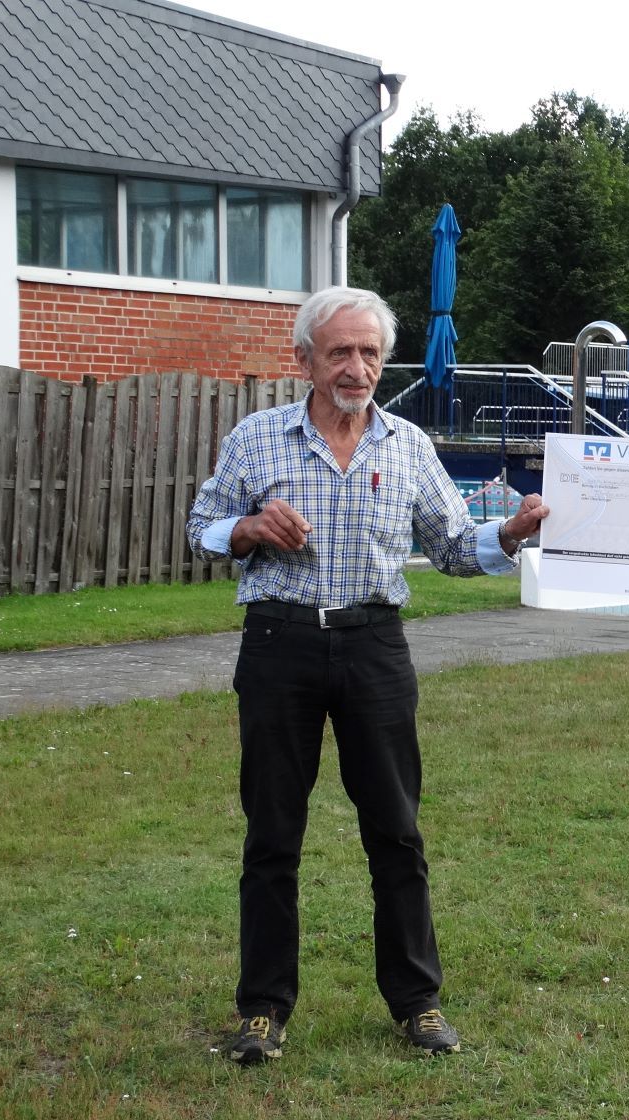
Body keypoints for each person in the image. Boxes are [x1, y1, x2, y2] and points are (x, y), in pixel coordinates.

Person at [188, 286, 548, 1064]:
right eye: (340, 352)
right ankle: (262, 1010)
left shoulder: (409, 445)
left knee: (396, 830)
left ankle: (417, 1004)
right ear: (305, 360)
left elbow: (454, 546)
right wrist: (246, 528)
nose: (356, 368)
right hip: (280, 644)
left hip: (375, 646)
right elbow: (201, 529)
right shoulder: (257, 439)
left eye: (370, 353)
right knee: (273, 833)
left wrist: (510, 535)